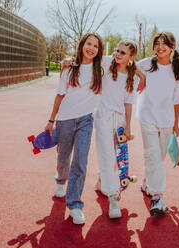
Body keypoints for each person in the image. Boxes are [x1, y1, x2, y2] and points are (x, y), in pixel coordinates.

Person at [45, 33, 103, 225]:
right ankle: (61, 180)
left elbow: (124, 61)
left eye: (95, 46)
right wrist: (51, 120)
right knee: (63, 159)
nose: (91, 48)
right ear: (82, 45)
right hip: (65, 120)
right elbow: (59, 96)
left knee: (80, 162)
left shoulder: (100, 69)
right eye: (89, 44)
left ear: (99, 50)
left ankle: (75, 205)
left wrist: (138, 73)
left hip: (86, 121)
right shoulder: (69, 69)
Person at [136, 32, 179, 216]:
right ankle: (158, 197)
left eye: (164, 44)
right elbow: (127, 64)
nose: (160, 47)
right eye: (157, 43)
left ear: (172, 47)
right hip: (147, 117)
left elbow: (178, 100)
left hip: (167, 120)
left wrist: (176, 123)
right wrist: (141, 77)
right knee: (152, 154)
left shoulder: (178, 70)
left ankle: (147, 183)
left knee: (159, 156)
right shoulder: (147, 64)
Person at [94, 40, 145, 219]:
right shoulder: (108, 64)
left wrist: (128, 126)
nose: (118, 54)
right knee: (106, 155)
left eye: (123, 53)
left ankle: (102, 180)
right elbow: (91, 56)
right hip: (103, 117)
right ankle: (113, 197)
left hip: (120, 120)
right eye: (117, 50)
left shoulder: (134, 77)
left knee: (117, 157)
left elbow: (129, 103)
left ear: (131, 57)